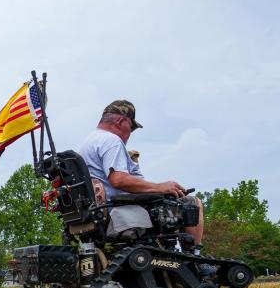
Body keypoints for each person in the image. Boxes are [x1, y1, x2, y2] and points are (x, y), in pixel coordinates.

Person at [78, 100, 206, 252]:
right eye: (130, 128)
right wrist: (160, 187)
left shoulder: (88, 142)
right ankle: (194, 260)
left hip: (97, 214)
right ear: (121, 121)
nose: (129, 135)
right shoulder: (112, 141)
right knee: (191, 203)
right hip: (118, 212)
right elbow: (118, 180)